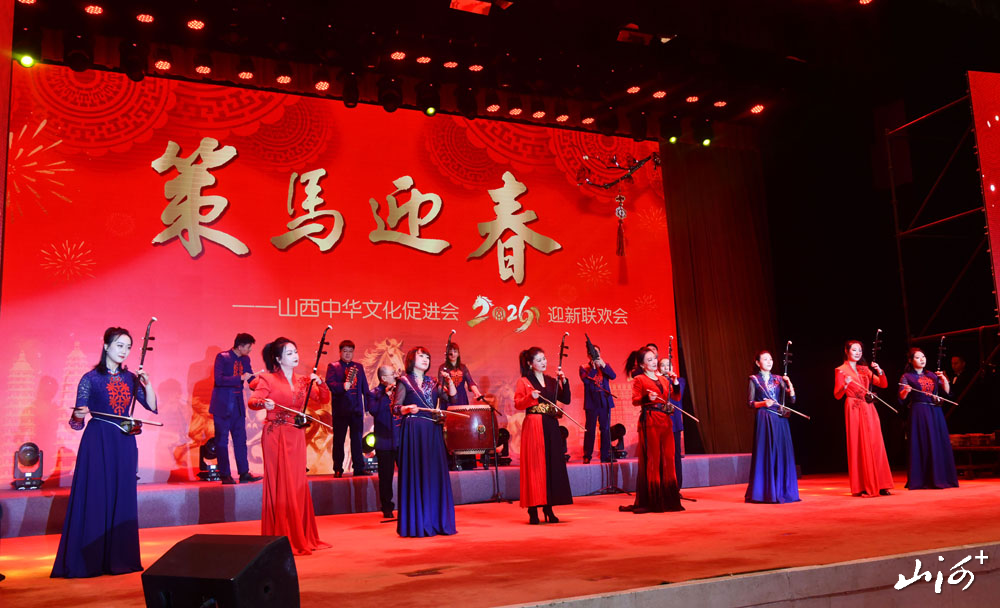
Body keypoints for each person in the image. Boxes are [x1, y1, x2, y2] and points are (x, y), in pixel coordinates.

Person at [52, 327, 158, 578]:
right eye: (119, 345)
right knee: (96, 496)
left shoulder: (131, 378)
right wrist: (79, 414)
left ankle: (119, 559)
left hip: (124, 442)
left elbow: (152, 406)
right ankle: (89, 560)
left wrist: (148, 384)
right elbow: (76, 422)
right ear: (106, 346)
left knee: (122, 496)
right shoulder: (90, 378)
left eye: (128, 347)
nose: (124, 351)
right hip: (98, 441)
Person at [248, 337, 331, 556]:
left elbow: (322, 399)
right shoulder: (267, 379)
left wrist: (321, 383)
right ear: (278, 358)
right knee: (281, 483)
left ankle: (301, 533)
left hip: (295, 435)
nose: (295, 356)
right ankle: (281, 535)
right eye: (289, 353)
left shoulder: (303, 381)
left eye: (295, 351)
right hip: (275, 435)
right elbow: (253, 401)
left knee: (297, 483)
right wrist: (263, 403)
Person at [393, 346, 458, 537]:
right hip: (414, 430)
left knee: (433, 473)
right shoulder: (404, 381)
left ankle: (437, 521)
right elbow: (395, 408)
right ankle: (418, 522)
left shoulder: (433, 382)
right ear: (411, 359)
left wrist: (449, 381)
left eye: (427, 357)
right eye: (421, 356)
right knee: (417, 472)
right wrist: (407, 409)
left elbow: (451, 398)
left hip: (432, 431)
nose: (425, 359)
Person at [514, 347, 573, 524]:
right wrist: (530, 397)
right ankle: (533, 509)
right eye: (539, 360)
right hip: (534, 425)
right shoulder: (524, 381)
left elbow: (566, 399)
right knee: (535, 466)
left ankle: (549, 508)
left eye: (544, 359)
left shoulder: (551, 381)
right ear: (530, 364)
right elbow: (518, 404)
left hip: (551, 424)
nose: (543, 362)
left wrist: (564, 381)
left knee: (551, 464)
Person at [623, 347, 684, 513]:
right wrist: (646, 398)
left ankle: (670, 499)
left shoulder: (663, 379)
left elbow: (676, 397)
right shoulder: (639, 379)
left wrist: (675, 382)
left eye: (654, 358)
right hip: (650, 421)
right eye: (649, 360)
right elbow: (635, 400)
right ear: (642, 365)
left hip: (666, 421)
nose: (654, 362)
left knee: (669, 458)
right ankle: (654, 500)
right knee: (653, 459)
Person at [833, 340, 893, 497]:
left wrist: (879, 371)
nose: (857, 352)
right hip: (853, 407)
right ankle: (864, 485)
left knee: (876, 443)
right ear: (846, 351)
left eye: (859, 350)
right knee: (859, 444)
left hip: (868, 407)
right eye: (854, 350)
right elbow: (837, 395)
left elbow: (883, 384)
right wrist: (845, 385)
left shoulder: (864, 369)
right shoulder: (841, 370)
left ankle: (881, 484)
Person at [898, 348, 959, 490]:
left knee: (937, 442)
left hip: (935, 412)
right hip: (919, 412)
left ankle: (941, 477)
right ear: (910, 360)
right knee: (923, 442)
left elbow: (947, 392)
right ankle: (923, 479)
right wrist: (905, 391)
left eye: (923, 357)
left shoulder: (932, 375)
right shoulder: (906, 377)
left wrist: (944, 380)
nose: (922, 359)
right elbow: (901, 398)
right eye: (918, 357)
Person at [745, 350, 800, 504]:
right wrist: (763, 403)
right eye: (765, 359)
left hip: (780, 419)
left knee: (781, 452)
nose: (769, 362)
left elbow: (792, 399)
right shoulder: (754, 379)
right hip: (765, 418)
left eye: (770, 359)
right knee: (767, 452)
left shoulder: (778, 379)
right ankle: (765, 492)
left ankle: (783, 490)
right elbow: (750, 403)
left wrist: (789, 384)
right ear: (758, 363)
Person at [210, 333, 262, 485]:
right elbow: (219, 380)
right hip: (222, 405)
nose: (250, 350)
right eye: (248, 347)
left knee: (241, 440)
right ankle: (225, 474)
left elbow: (251, 379)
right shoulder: (222, 357)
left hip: (238, 406)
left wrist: (261, 384)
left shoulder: (245, 359)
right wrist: (240, 378)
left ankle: (244, 473)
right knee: (222, 441)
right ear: (240, 346)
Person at [325, 340, 371, 477]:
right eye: (345, 351)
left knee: (357, 440)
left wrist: (368, 406)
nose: (348, 354)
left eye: (350, 351)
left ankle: (359, 468)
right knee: (339, 440)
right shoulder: (333, 366)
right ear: (340, 352)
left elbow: (365, 388)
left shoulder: (359, 367)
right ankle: (338, 468)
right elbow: (330, 384)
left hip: (356, 409)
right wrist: (342, 386)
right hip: (340, 410)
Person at [367, 365, 402, 518]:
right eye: (392, 374)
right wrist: (385, 396)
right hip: (384, 441)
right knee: (386, 477)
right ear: (383, 378)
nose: (395, 375)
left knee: (406, 474)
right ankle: (387, 507)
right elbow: (374, 411)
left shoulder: (399, 390)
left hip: (400, 439)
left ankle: (408, 505)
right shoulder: (373, 393)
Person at [579, 345, 615, 464]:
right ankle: (587, 455)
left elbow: (613, 376)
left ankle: (605, 455)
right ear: (588, 355)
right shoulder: (584, 367)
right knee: (590, 429)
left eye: (597, 352)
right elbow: (586, 381)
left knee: (605, 429)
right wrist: (594, 368)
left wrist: (603, 365)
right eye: (592, 353)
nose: (595, 354)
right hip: (592, 403)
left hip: (604, 401)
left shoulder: (605, 365)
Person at [658, 357, 686, 491]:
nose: (665, 368)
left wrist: (672, 380)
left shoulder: (679, 381)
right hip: (660, 423)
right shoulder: (657, 382)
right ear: (659, 368)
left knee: (675, 456)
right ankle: (662, 486)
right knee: (662, 455)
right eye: (662, 365)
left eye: (668, 365)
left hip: (675, 424)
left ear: (672, 367)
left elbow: (678, 393)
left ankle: (676, 487)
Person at [438, 342, 483, 408]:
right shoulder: (442, 367)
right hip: (448, 397)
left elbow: (470, 382)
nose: (453, 354)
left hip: (461, 397)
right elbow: (441, 384)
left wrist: (477, 393)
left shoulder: (463, 367)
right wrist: (452, 395)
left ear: (458, 354)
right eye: (450, 352)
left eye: (455, 351)